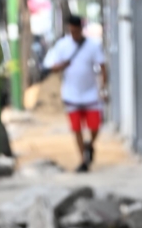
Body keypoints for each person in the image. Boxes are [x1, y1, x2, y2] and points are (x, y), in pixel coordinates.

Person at [43, 14, 107, 171]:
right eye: (72, 31)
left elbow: (103, 67)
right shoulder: (62, 45)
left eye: (76, 31)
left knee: (95, 126)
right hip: (71, 94)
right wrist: (63, 65)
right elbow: (52, 67)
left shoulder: (92, 45)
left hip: (91, 93)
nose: (74, 34)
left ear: (81, 29)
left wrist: (103, 88)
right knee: (76, 129)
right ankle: (83, 160)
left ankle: (89, 145)